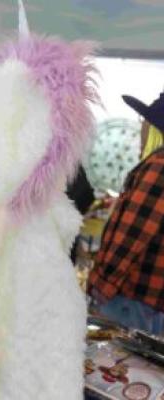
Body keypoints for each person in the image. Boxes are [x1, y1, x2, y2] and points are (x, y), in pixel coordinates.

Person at [88, 91, 164, 334]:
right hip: (151, 302)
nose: (140, 130)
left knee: (111, 367)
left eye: (145, 124)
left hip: (132, 300)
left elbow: (133, 234)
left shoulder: (159, 166)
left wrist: (100, 285)